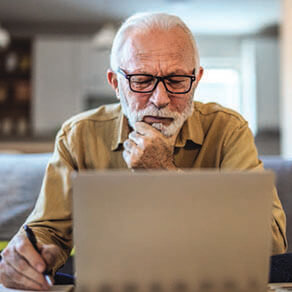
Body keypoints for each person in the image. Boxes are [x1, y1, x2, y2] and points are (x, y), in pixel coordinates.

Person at [0, 12, 287, 290]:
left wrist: (165, 174)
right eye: (141, 80)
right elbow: (48, 231)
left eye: (176, 81)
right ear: (115, 83)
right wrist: (29, 258)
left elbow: (271, 241)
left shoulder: (228, 130)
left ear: (196, 79)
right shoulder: (79, 135)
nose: (160, 99)